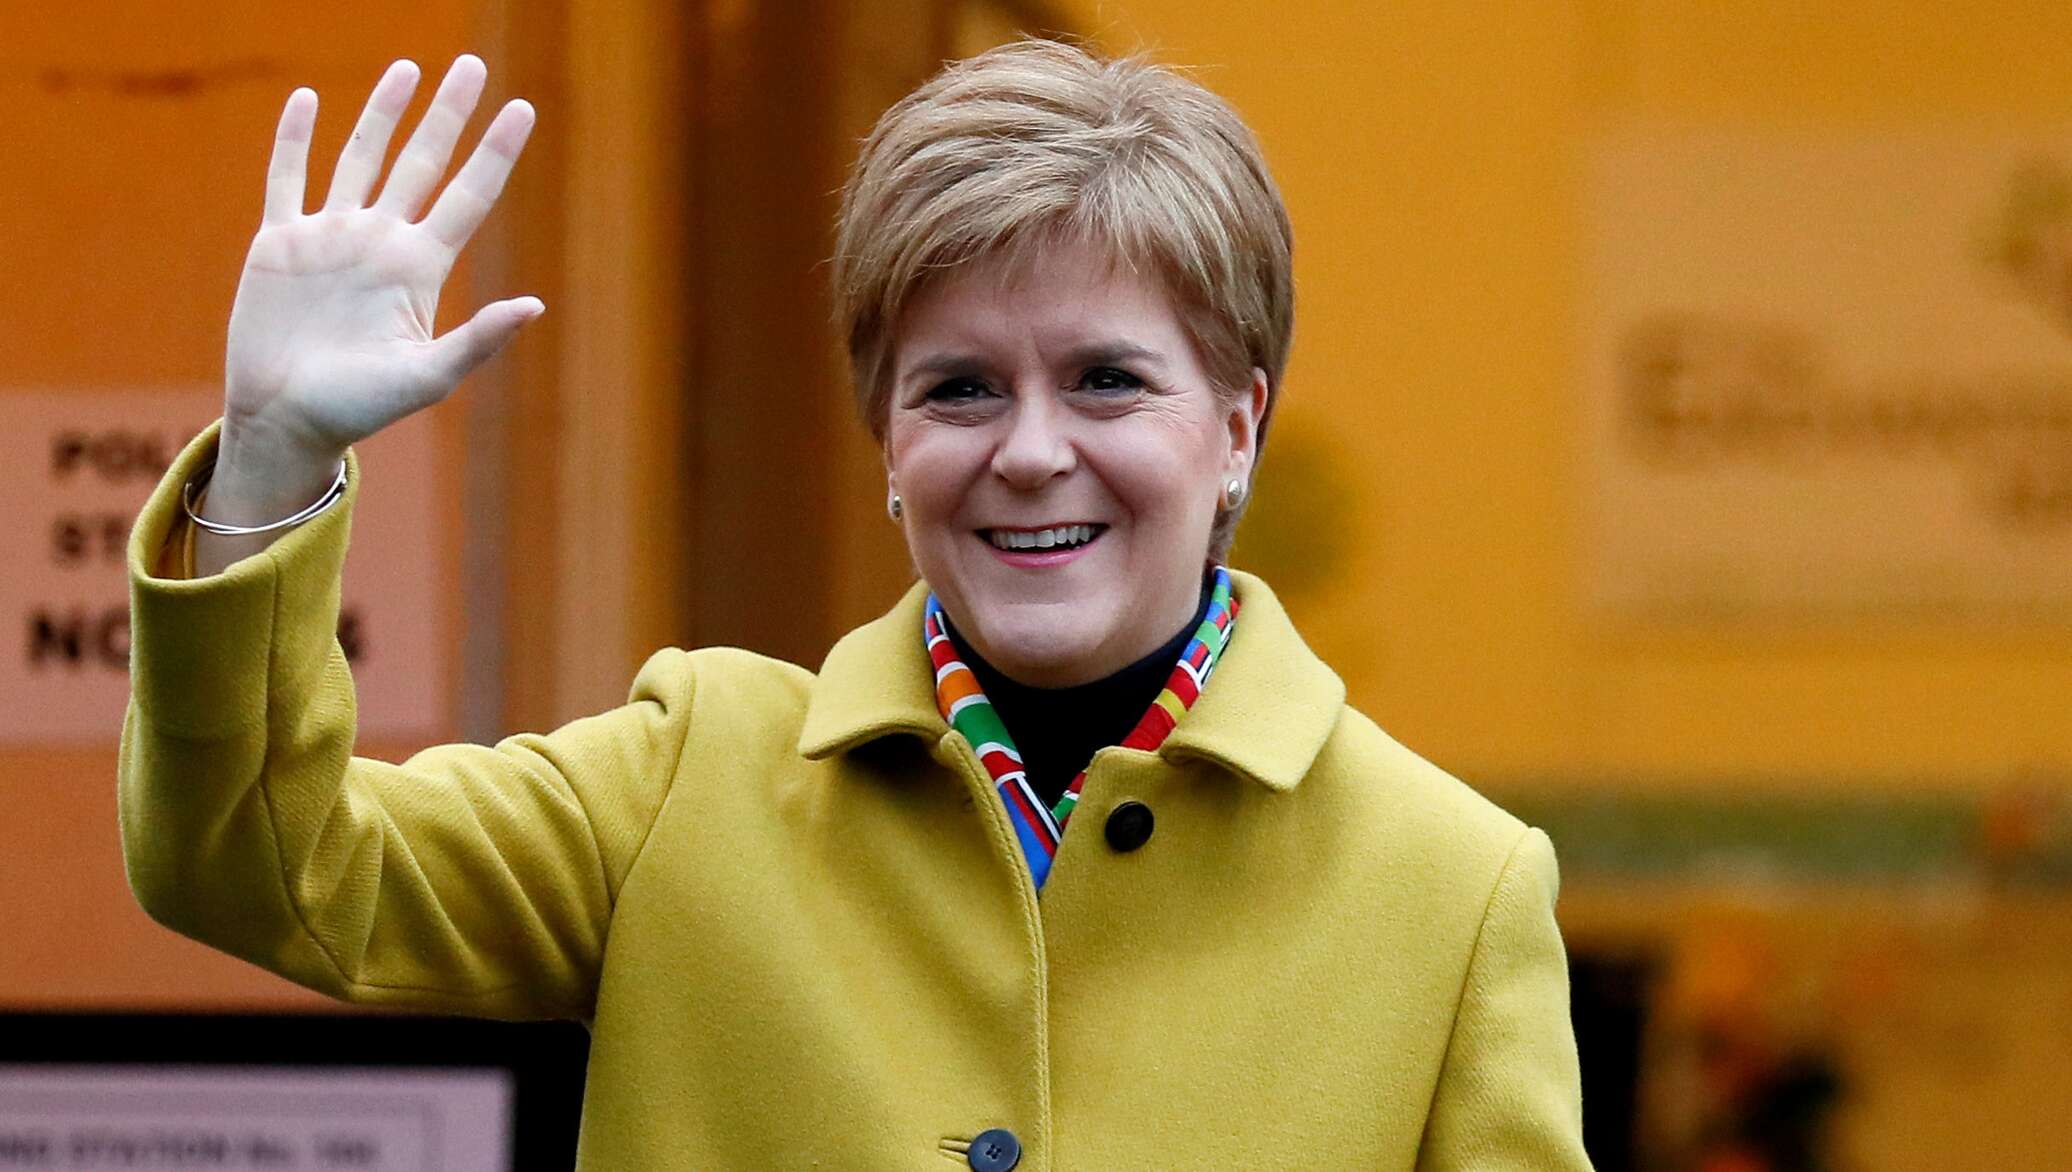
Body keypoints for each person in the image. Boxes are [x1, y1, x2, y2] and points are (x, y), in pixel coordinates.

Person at [119, 40, 1591, 1170]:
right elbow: (254, 868)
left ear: (1238, 429)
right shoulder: (685, 777)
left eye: (1107, 380)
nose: (1030, 452)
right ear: (888, 444)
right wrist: (272, 458)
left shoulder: (1453, 890)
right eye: (960, 389)